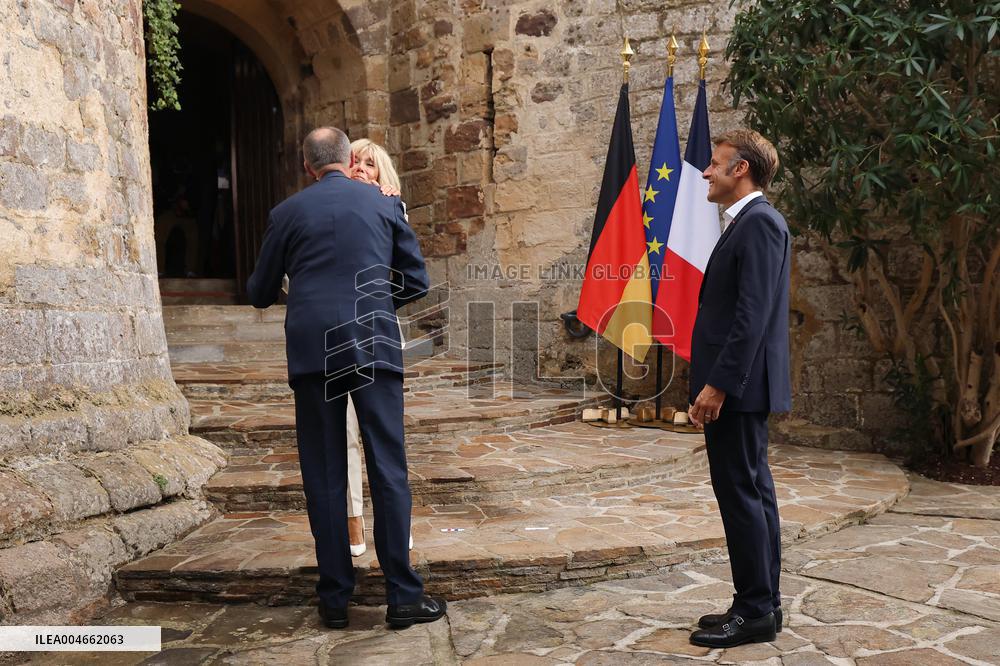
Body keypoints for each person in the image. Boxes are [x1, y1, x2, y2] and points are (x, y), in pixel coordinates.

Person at [247, 127, 446, 630]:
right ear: (344, 157)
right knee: (388, 467)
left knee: (325, 471)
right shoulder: (385, 205)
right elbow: (416, 279)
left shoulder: (286, 213)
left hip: (314, 350)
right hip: (372, 342)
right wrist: (374, 303)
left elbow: (258, 290)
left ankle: (335, 597)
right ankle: (402, 595)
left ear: (308, 165)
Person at [686, 129, 791, 648]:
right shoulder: (746, 224)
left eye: (715, 163)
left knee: (742, 496)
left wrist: (718, 387)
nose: (705, 171)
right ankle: (760, 604)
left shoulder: (759, 224)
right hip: (740, 388)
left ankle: (753, 612)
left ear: (740, 169)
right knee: (752, 494)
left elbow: (751, 317)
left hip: (740, 390)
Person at [343, 138, 411, 558]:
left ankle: (396, 521)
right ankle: (352, 517)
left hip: (378, 332)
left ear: (382, 174)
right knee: (345, 431)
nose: (361, 170)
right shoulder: (328, 208)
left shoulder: (392, 209)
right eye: (354, 163)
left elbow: (409, 272)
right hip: (334, 334)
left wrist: (382, 306)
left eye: (370, 164)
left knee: (386, 437)